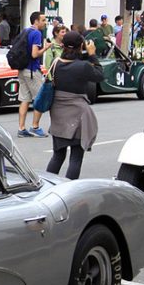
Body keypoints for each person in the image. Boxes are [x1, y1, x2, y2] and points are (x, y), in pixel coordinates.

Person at [45, 32, 103, 180]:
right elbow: (99, 75)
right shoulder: (83, 66)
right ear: (81, 46)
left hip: (58, 113)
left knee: (58, 155)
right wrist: (92, 54)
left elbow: (71, 61)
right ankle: (69, 190)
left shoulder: (56, 63)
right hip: (78, 115)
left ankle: (47, 187)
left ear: (63, 45)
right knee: (76, 158)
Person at [17, 11, 49, 137]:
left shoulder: (25, 31)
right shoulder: (36, 33)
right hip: (32, 70)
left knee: (24, 99)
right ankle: (35, 127)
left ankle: (21, 128)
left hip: (22, 69)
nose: (45, 22)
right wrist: (45, 48)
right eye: (43, 20)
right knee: (40, 99)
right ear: (36, 21)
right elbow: (34, 54)